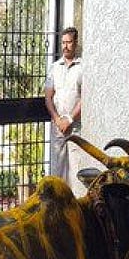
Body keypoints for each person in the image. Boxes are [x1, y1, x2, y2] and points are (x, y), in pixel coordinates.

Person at [44, 27, 82, 184]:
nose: (65, 46)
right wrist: (57, 119)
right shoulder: (54, 67)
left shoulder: (83, 67)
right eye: (63, 42)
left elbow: (85, 97)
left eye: (69, 42)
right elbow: (48, 97)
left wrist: (70, 119)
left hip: (76, 127)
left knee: (76, 168)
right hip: (58, 126)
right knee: (57, 168)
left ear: (76, 43)